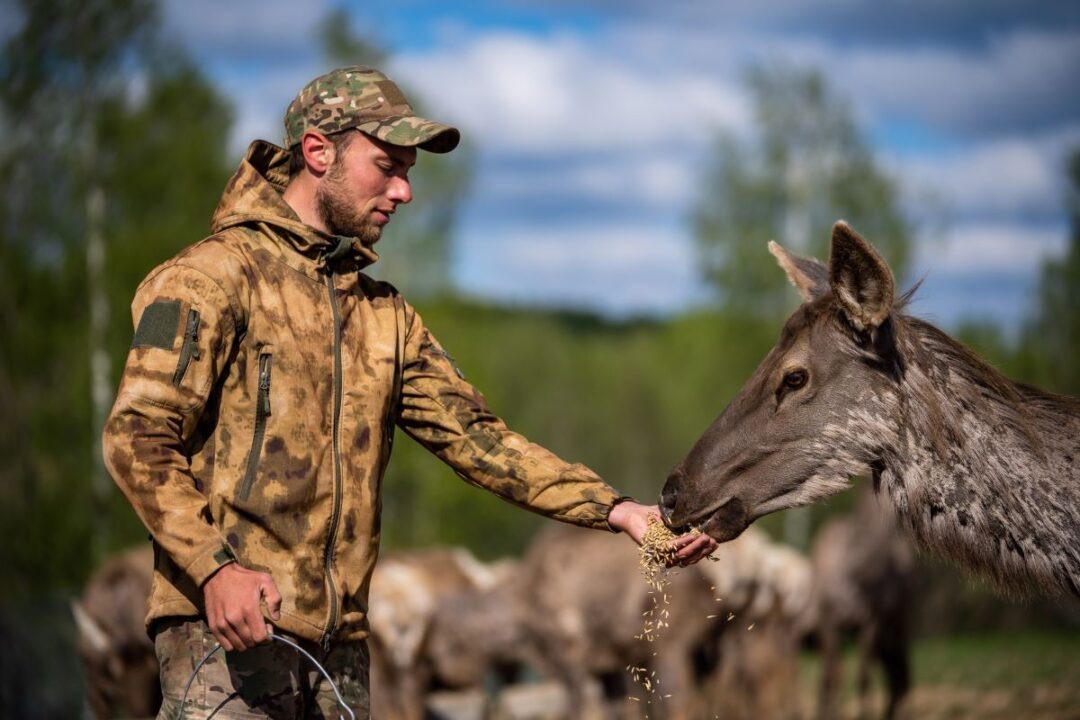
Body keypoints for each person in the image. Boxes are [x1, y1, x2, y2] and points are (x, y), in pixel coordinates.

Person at [102, 66, 717, 719]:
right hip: (223, 640)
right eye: (386, 166)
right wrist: (213, 569)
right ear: (318, 152)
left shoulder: (383, 316)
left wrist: (617, 510)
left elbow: (481, 442)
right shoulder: (208, 279)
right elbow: (136, 437)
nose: (404, 190)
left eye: (409, 172)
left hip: (343, 659)